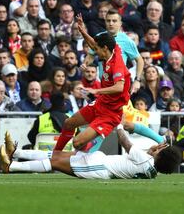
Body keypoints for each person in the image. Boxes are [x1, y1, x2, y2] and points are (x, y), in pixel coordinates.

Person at [54, 15, 131, 153]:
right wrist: (83, 31)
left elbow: (119, 87)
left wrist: (97, 91)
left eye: (97, 49)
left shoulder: (117, 64)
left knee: (77, 143)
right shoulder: (112, 49)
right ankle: (55, 154)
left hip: (111, 113)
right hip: (100, 104)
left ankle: (88, 150)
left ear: (105, 48)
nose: (95, 51)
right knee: (68, 124)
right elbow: (94, 44)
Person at [0, 125, 181, 177]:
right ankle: (15, 153)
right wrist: (151, 151)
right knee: (57, 156)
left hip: (97, 168)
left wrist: (117, 124)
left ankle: (12, 166)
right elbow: (137, 160)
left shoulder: (144, 159)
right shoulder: (151, 169)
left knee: (54, 162)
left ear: (162, 155)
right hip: (99, 162)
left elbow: (125, 142)